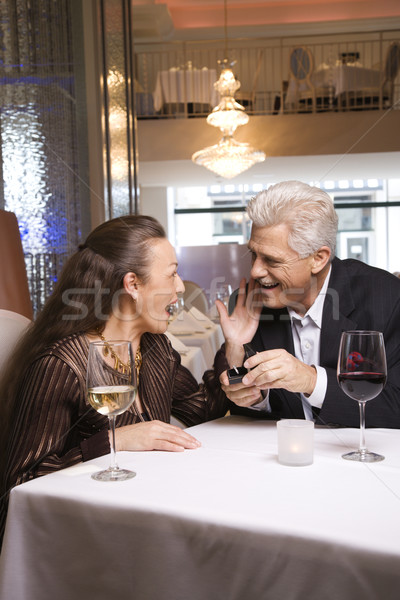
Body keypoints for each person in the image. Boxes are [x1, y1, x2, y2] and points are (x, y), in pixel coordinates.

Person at [0, 215, 228, 545]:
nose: (181, 286)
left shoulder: (155, 347)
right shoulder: (62, 363)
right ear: (133, 284)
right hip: (80, 536)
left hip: (144, 516)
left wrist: (232, 347)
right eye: (172, 273)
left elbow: (202, 412)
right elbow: (19, 486)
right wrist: (113, 441)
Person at [216, 180, 400, 428]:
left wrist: (312, 381)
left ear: (318, 258)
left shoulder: (386, 297)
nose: (256, 271)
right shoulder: (249, 301)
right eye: (254, 254)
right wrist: (237, 355)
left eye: (271, 260)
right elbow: (226, 401)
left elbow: (394, 406)